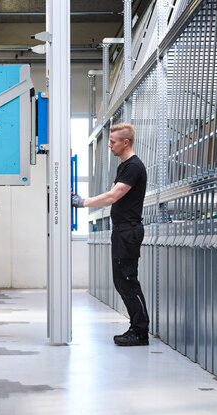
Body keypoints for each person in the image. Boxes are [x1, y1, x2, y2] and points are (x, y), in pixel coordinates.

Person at [71, 123, 150, 346]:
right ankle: (136, 327)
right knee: (122, 281)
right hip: (122, 231)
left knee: (127, 281)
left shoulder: (134, 167)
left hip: (128, 232)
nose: (109, 146)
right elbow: (111, 194)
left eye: (113, 142)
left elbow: (113, 196)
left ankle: (140, 332)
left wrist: (82, 202)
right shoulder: (123, 166)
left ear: (126, 142)